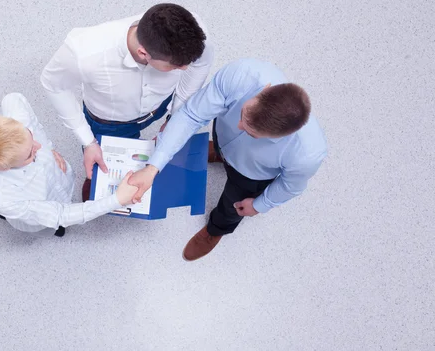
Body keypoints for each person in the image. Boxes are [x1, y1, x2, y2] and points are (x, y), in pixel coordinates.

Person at [129, 59, 327, 260]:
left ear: (279, 137)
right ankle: (218, 152)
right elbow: (192, 115)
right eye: (242, 115)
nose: (239, 126)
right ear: (264, 90)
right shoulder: (243, 74)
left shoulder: (307, 154)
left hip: (250, 175)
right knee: (221, 139)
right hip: (222, 139)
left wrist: (260, 205)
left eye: (251, 134)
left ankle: (215, 230)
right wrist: (154, 166)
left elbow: (290, 186)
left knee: (232, 206)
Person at [41, 3, 214, 201]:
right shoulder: (83, 52)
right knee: (104, 163)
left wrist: (175, 115)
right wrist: (88, 142)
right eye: (176, 66)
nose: (185, 69)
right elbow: (54, 85)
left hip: (161, 104)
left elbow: (200, 66)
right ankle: (97, 181)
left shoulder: (194, 32)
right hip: (109, 123)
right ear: (143, 53)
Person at [0, 93, 138, 237]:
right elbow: (60, 214)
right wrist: (117, 200)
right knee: (54, 222)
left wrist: (50, 149)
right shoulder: (4, 198)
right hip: (38, 208)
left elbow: (13, 98)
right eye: (30, 153)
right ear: (5, 167)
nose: (38, 147)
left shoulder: (17, 123)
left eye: (30, 136)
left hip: (58, 179)